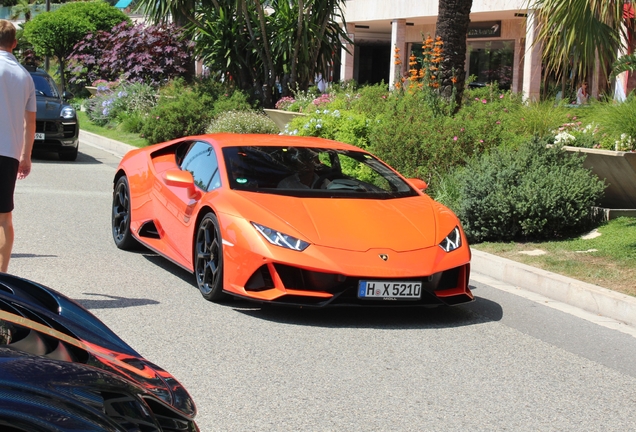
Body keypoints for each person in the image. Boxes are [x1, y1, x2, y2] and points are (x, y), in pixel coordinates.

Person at [0, 19, 36, 273]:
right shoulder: (24, 77)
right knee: (4, 218)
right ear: (14, 43)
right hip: (8, 154)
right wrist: (26, 156)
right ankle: (1, 280)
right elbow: (29, 124)